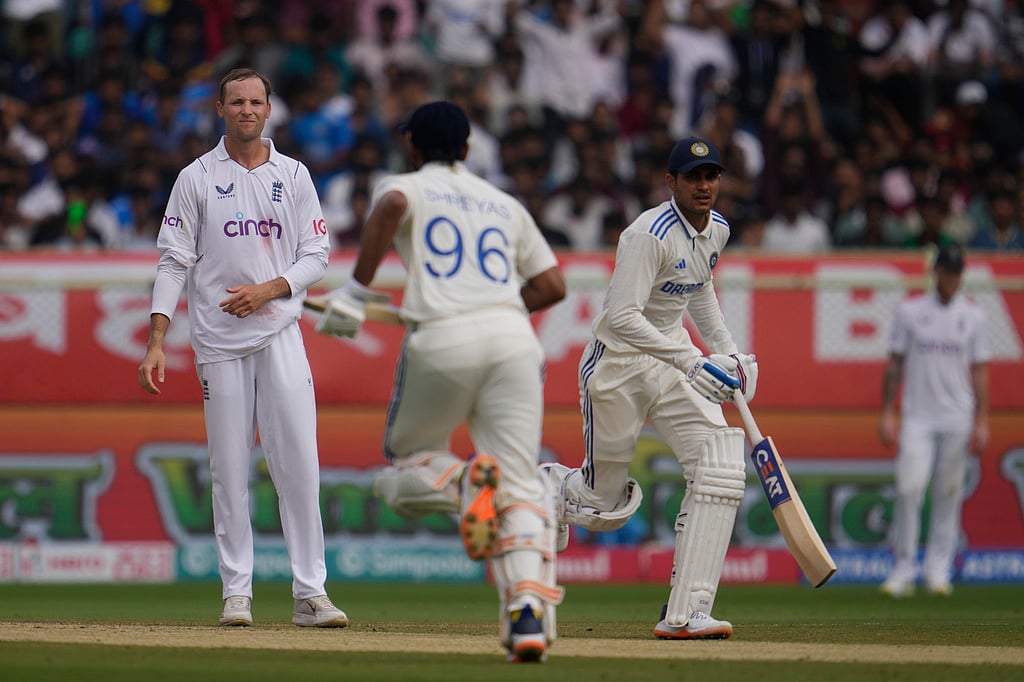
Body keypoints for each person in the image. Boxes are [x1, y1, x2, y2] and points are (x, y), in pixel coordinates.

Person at [314, 101, 567, 662]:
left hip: (443, 338)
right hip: (513, 339)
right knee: (521, 486)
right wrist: (496, 306)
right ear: (470, 151)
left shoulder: (403, 185)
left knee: (405, 464)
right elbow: (552, 286)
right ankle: (527, 611)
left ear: (410, 146)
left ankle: (462, 485)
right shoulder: (505, 203)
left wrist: (354, 295)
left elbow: (394, 203)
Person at [137, 68, 348, 629]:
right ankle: (238, 593)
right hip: (218, 342)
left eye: (256, 101)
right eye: (237, 102)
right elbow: (173, 260)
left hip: (280, 333)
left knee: (299, 466)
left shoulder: (295, 174)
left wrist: (269, 290)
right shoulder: (196, 177)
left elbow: (318, 254)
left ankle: (310, 594)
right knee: (229, 470)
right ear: (220, 108)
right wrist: (157, 339)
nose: (247, 110)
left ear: (269, 108)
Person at [542, 136, 757, 640]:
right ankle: (550, 488)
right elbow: (622, 318)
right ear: (671, 182)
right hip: (616, 366)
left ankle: (687, 612)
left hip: (671, 365)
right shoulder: (648, 233)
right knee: (605, 505)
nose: (704, 186)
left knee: (720, 464)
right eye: (692, 178)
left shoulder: (718, 229)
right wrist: (691, 358)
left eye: (711, 176)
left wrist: (726, 352)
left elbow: (700, 291)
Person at [878, 244, 990, 597]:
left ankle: (938, 570)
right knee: (909, 488)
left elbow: (981, 370)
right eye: (946, 272)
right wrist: (886, 411)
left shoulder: (974, 317)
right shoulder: (910, 312)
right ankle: (904, 569)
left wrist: (982, 420)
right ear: (936, 272)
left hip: (957, 415)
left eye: (957, 273)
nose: (951, 279)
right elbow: (894, 364)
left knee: (949, 493)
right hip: (918, 416)